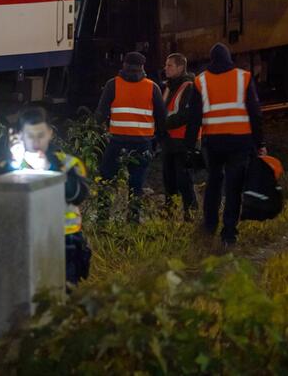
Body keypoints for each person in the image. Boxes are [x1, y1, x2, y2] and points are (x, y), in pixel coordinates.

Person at [185, 43, 265, 247]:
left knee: (214, 180)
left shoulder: (201, 80)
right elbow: (255, 113)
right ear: (229, 58)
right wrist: (260, 142)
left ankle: (209, 224)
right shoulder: (243, 77)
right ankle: (229, 232)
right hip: (240, 140)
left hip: (214, 141)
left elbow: (194, 117)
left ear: (211, 59)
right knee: (234, 185)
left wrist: (190, 145)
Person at [10, 107, 92, 285]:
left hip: (65, 241)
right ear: (19, 136)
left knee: (64, 296)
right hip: (29, 240)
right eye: (30, 136)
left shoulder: (68, 163)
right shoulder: (12, 167)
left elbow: (77, 195)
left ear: (50, 133)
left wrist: (49, 168)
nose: (36, 142)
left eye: (40, 135)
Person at [96, 51, 167, 223]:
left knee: (106, 179)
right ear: (142, 67)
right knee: (136, 182)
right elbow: (162, 118)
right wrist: (158, 142)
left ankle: (103, 217)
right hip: (142, 143)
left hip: (117, 142)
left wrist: (100, 133)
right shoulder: (152, 87)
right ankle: (134, 219)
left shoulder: (113, 85)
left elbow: (100, 115)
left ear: (124, 66)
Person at [161, 53, 198, 220]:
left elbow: (185, 115)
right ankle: (170, 211)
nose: (166, 68)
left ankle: (190, 212)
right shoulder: (169, 86)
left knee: (183, 178)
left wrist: (162, 124)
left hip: (182, 140)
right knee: (169, 179)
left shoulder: (188, 87)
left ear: (181, 67)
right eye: (166, 65)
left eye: (170, 66)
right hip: (169, 140)